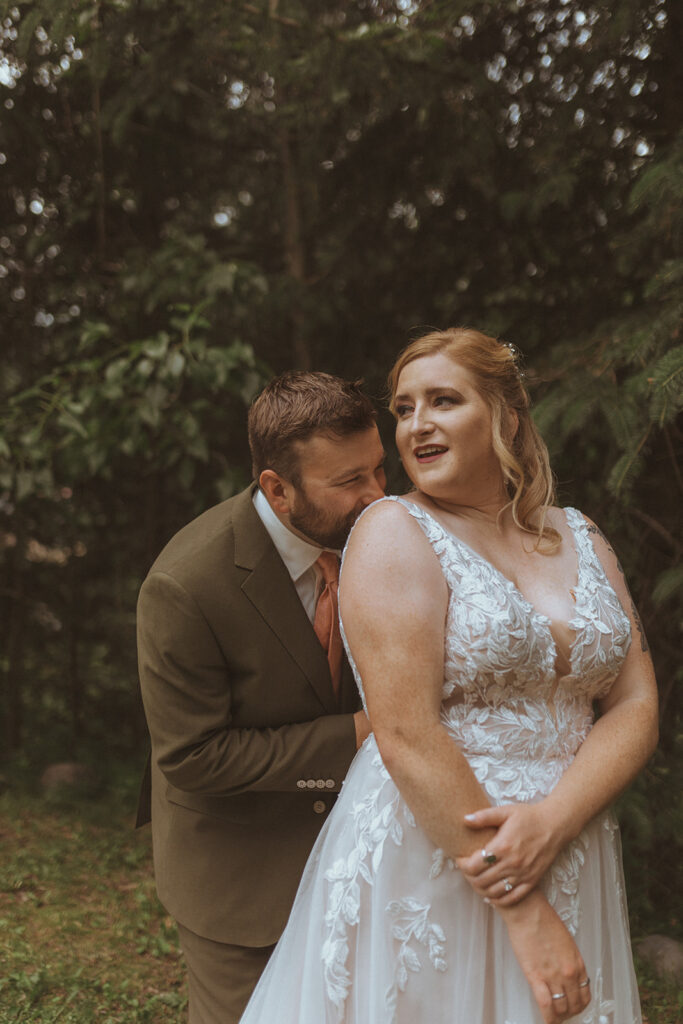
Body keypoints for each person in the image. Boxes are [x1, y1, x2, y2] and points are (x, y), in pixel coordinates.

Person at [238, 328, 658, 1024]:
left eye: (442, 400)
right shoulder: (393, 530)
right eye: (403, 408)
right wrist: (520, 907)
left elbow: (634, 702)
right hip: (438, 861)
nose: (416, 424)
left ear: (506, 416)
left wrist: (553, 822)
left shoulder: (580, 535)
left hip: (571, 844)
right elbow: (404, 731)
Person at [136, 371, 386, 1024]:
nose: (378, 496)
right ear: (276, 489)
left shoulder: (382, 534)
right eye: (349, 482)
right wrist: (360, 733)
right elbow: (193, 757)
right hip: (239, 874)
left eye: (378, 470)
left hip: (368, 854)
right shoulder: (187, 584)